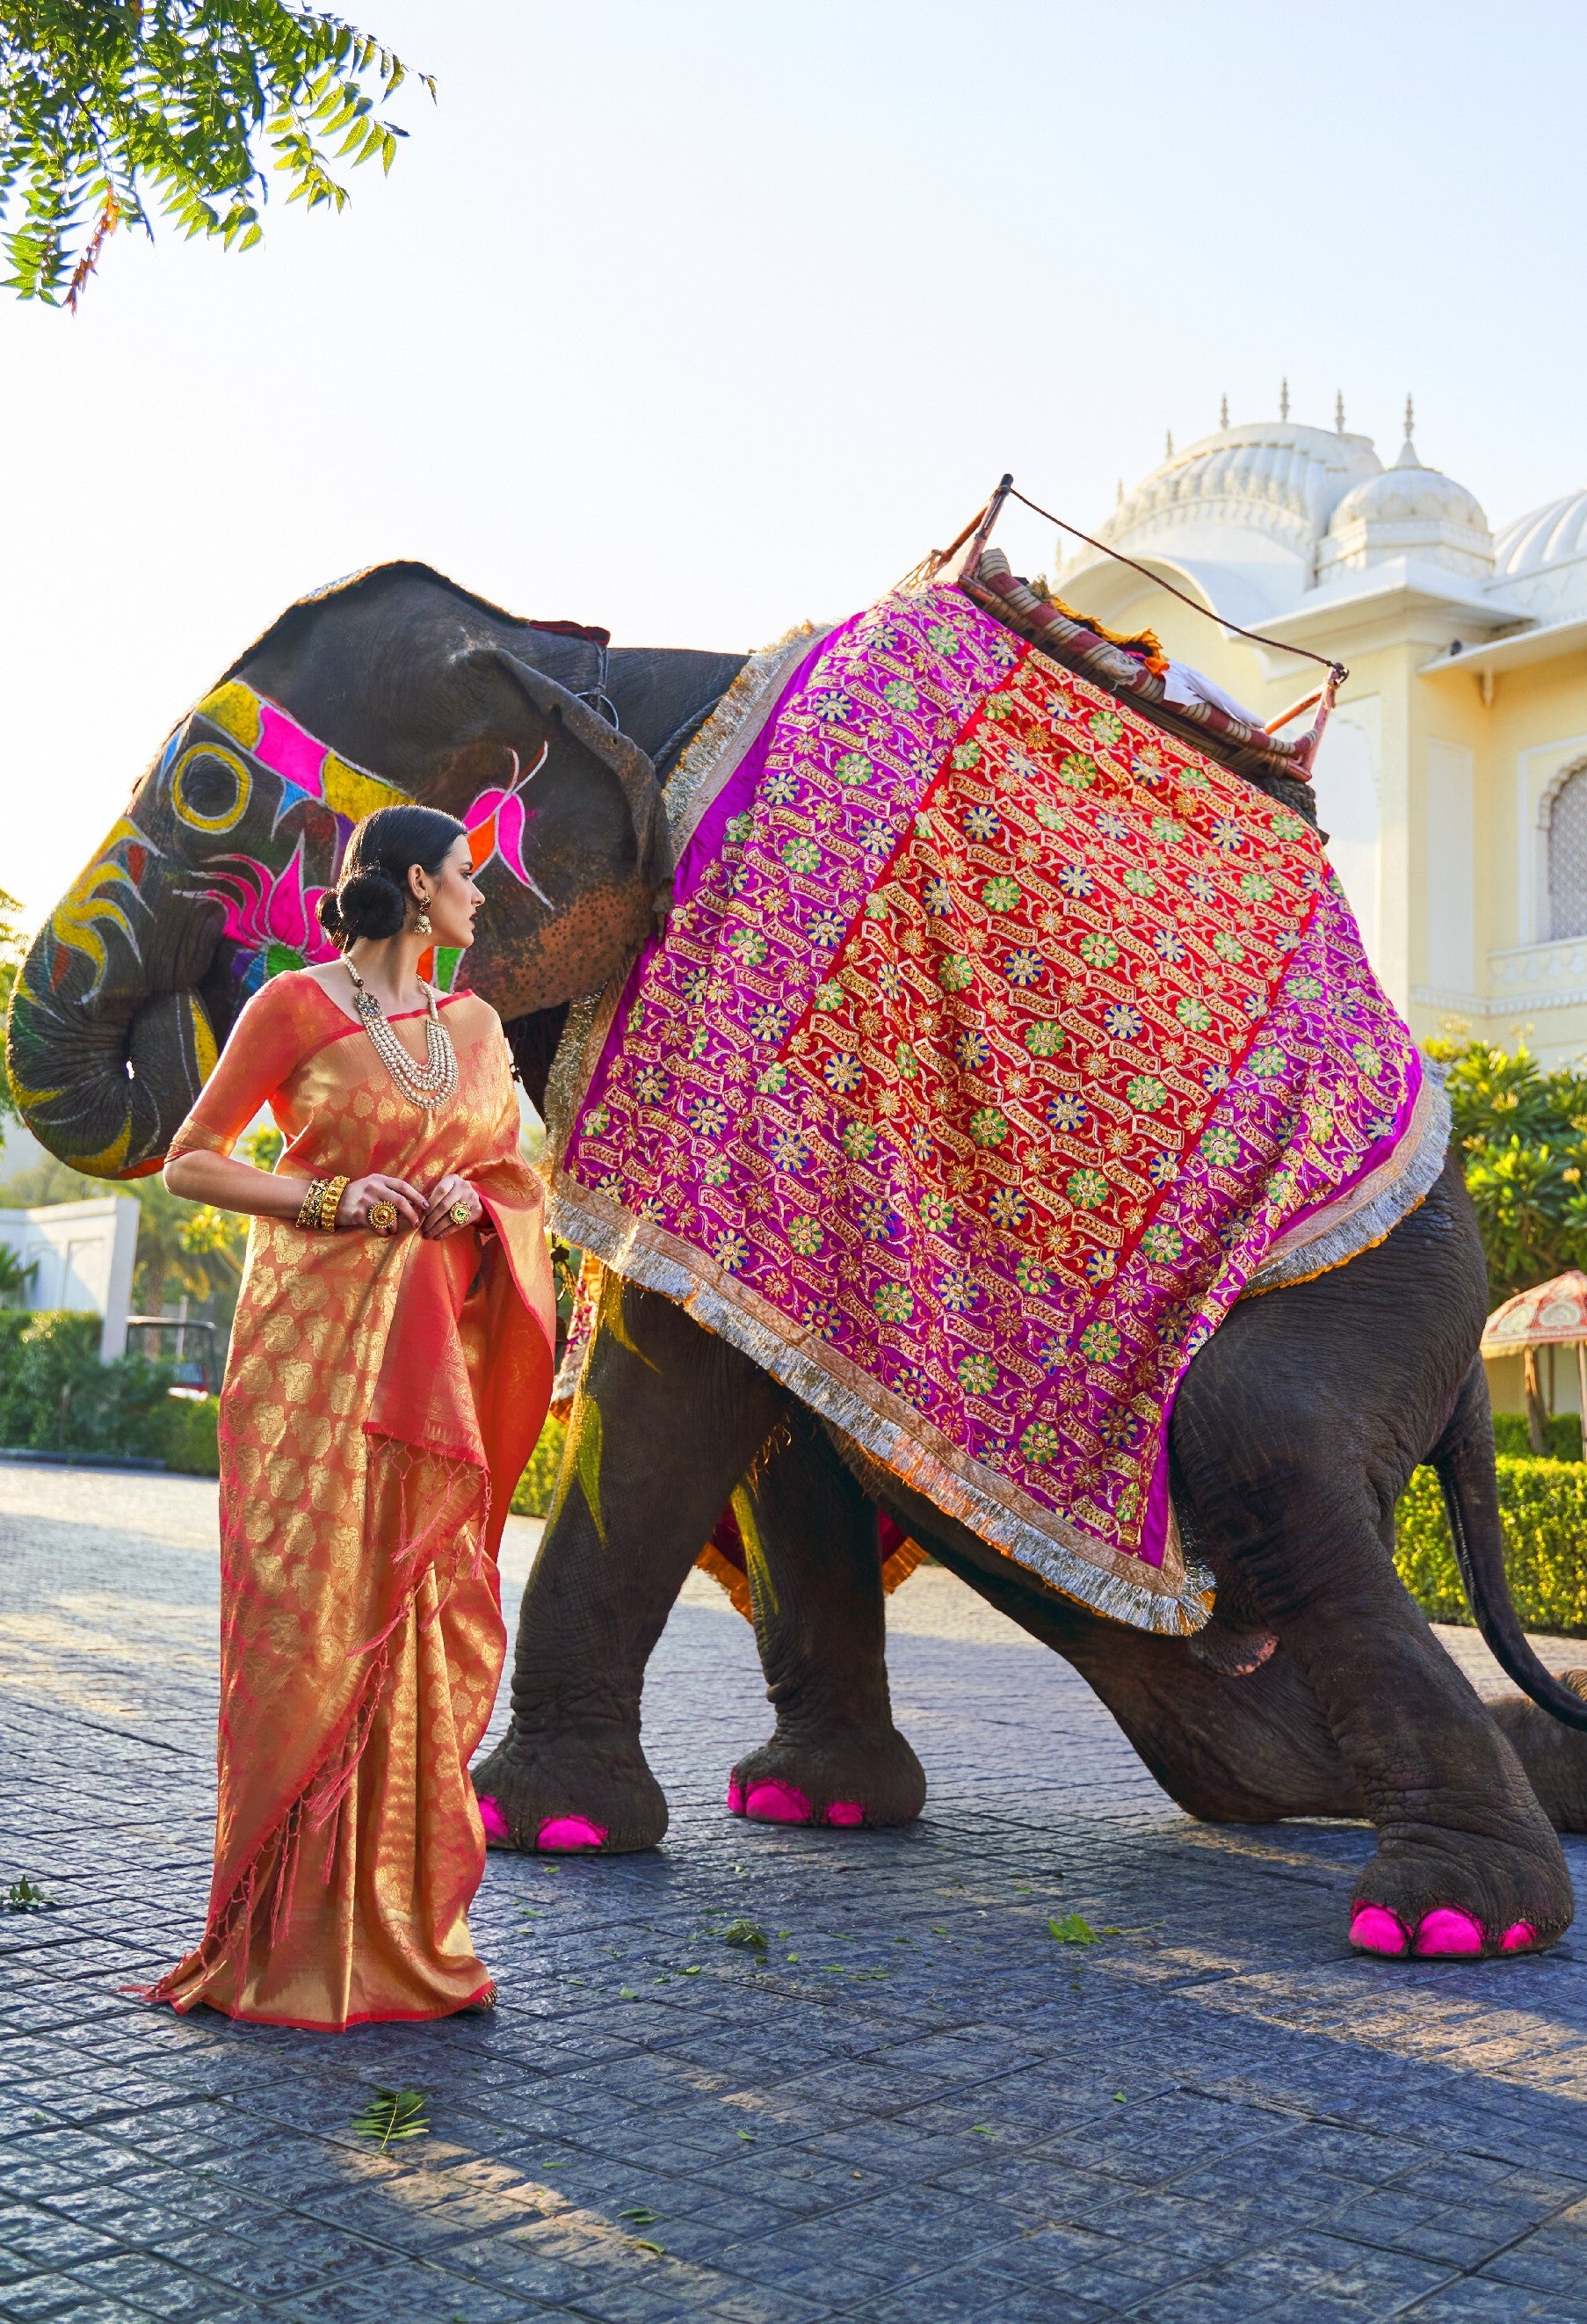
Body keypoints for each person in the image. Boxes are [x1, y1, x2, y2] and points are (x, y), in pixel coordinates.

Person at [151, 804, 554, 2029]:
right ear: (413, 882)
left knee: (417, 1616)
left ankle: (404, 1927)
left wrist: (467, 1206)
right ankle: (275, 1938)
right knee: (308, 1615)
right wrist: (330, 1197)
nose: (480, 900)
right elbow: (191, 1161)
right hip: (308, 1355)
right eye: (467, 879)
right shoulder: (293, 1007)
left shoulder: (477, 1024)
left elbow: (514, 1181)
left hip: (429, 1357)